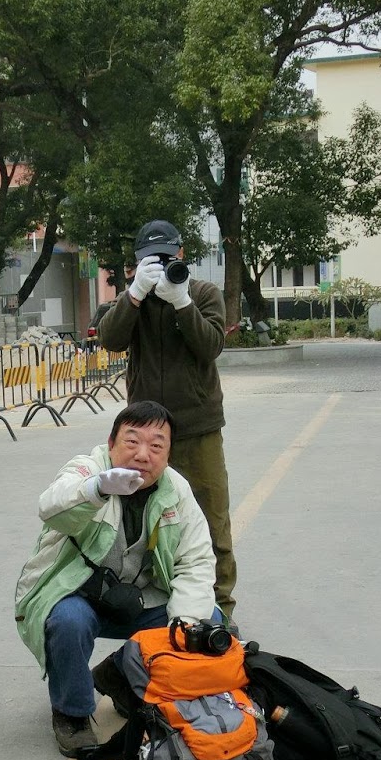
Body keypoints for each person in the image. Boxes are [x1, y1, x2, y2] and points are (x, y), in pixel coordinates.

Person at [13, 400, 218, 756]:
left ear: (168, 454)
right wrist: (96, 489)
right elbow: (50, 506)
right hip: (77, 592)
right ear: (111, 444)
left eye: (157, 446)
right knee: (68, 621)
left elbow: (196, 561)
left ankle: (119, 675)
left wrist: (184, 623)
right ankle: (71, 713)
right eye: (132, 441)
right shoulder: (88, 469)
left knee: (208, 621)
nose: (143, 455)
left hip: (142, 598)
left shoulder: (176, 490)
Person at [96, 219, 237, 625]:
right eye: (149, 259)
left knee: (211, 520)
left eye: (165, 256)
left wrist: (182, 302)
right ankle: (155, 605)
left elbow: (211, 346)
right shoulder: (134, 300)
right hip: (145, 434)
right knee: (144, 521)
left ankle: (219, 611)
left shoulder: (204, 293)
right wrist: (134, 294)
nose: (159, 264)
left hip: (197, 428)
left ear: (181, 253)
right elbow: (110, 339)